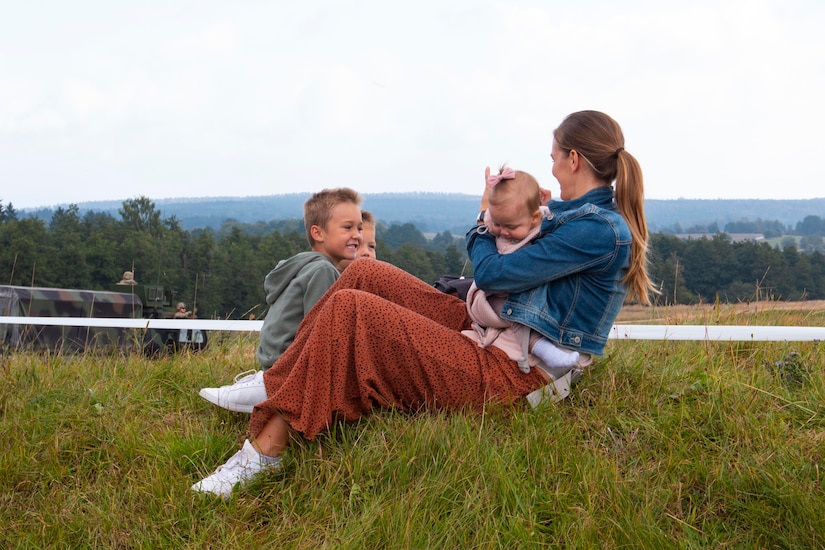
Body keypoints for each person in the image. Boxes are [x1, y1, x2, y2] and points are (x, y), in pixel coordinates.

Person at [192, 110, 656, 498]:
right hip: (492, 333)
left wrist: (483, 220)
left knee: (353, 309)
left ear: (574, 159)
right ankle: (281, 379)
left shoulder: (597, 230)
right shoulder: (567, 215)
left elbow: (493, 273)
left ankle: (264, 453)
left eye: (554, 157)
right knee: (364, 272)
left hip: (511, 376)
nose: (551, 166)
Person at [198, 188, 364, 413]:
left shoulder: (301, 266)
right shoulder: (323, 271)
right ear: (318, 233)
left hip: (271, 360)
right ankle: (273, 391)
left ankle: (266, 383)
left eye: (359, 228)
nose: (357, 235)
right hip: (290, 367)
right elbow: (320, 333)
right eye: (347, 227)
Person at [467, 166, 584, 376]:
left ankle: (542, 343)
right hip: (495, 296)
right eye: (498, 223)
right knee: (512, 311)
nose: (503, 232)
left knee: (526, 310)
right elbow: (483, 226)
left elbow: (561, 228)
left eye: (511, 226)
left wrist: (552, 206)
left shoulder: (545, 225)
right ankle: (537, 345)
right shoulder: (496, 220)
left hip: (524, 291)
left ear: (535, 218)